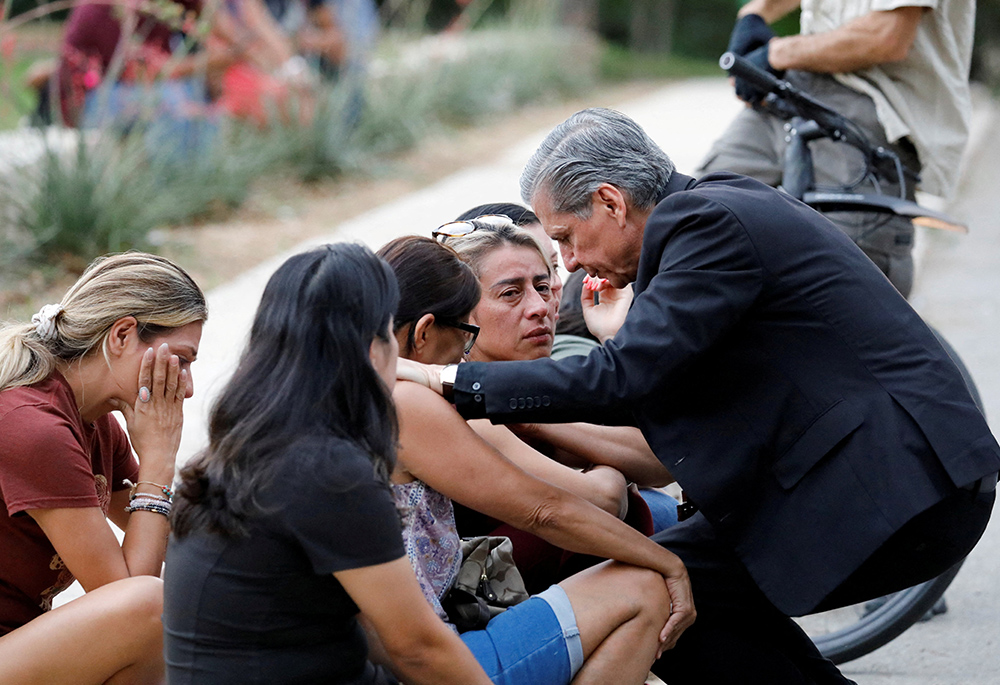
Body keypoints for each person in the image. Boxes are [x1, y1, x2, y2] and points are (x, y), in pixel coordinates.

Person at [397, 107, 1000, 684]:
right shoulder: (707, 215)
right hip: (880, 481)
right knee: (682, 591)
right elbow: (650, 389)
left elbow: (621, 381)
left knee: (659, 587)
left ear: (610, 201)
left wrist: (448, 381)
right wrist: (618, 348)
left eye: (566, 239)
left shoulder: (704, 224)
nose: (572, 265)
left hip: (892, 486)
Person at [164, 243, 490, 684]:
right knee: (617, 595)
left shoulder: (248, 447)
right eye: (389, 333)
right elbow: (418, 649)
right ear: (372, 350)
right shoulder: (327, 470)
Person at [377, 235, 692, 684]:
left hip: (420, 649)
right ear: (424, 332)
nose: (539, 307)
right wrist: (670, 565)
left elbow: (654, 460)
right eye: (467, 334)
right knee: (648, 580)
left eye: (545, 287)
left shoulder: (358, 393)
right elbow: (548, 508)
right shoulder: (408, 400)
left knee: (657, 526)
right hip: (436, 663)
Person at [0, 252, 207, 683]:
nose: (186, 387)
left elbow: (172, 538)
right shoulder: (32, 426)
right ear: (123, 334)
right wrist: (158, 460)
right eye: (182, 361)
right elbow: (130, 595)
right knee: (151, 607)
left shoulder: (98, 424)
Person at [702, 0, 976, 298]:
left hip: (874, 106)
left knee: (840, 287)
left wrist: (775, 52)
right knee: (695, 223)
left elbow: (887, 36)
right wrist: (755, 13)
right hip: (796, 85)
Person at [439, 216, 678, 534]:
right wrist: (608, 463)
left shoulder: (541, 381)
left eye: (542, 287)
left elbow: (662, 462)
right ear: (462, 311)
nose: (539, 307)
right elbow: (605, 501)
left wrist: (614, 338)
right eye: (511, 293)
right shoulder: (456, 399)